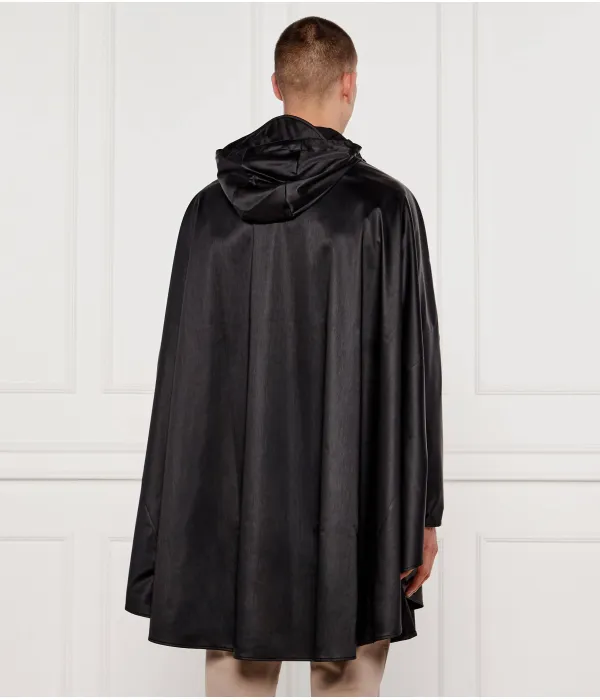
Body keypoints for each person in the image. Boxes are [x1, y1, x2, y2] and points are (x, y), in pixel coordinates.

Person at [125, 15, 443, 697]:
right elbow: (415, 370)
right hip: (358, 495)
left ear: (276, 86)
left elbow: (184, 381)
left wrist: (176, 518)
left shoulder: (208, 212)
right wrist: (424, 510)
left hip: (231, 503)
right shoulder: (385, 209)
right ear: (350, 84)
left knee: (237, 669)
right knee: (348, 666)